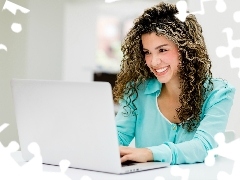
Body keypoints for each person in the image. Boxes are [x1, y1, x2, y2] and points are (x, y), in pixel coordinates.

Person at [113, 2, 235, 165]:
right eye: (147, 52)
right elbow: (117, 137)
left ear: (186, 48)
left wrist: (151, 153)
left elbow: (204, 146)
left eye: (162, 50)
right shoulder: (137, 91)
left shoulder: (218, 93)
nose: (154, 61)